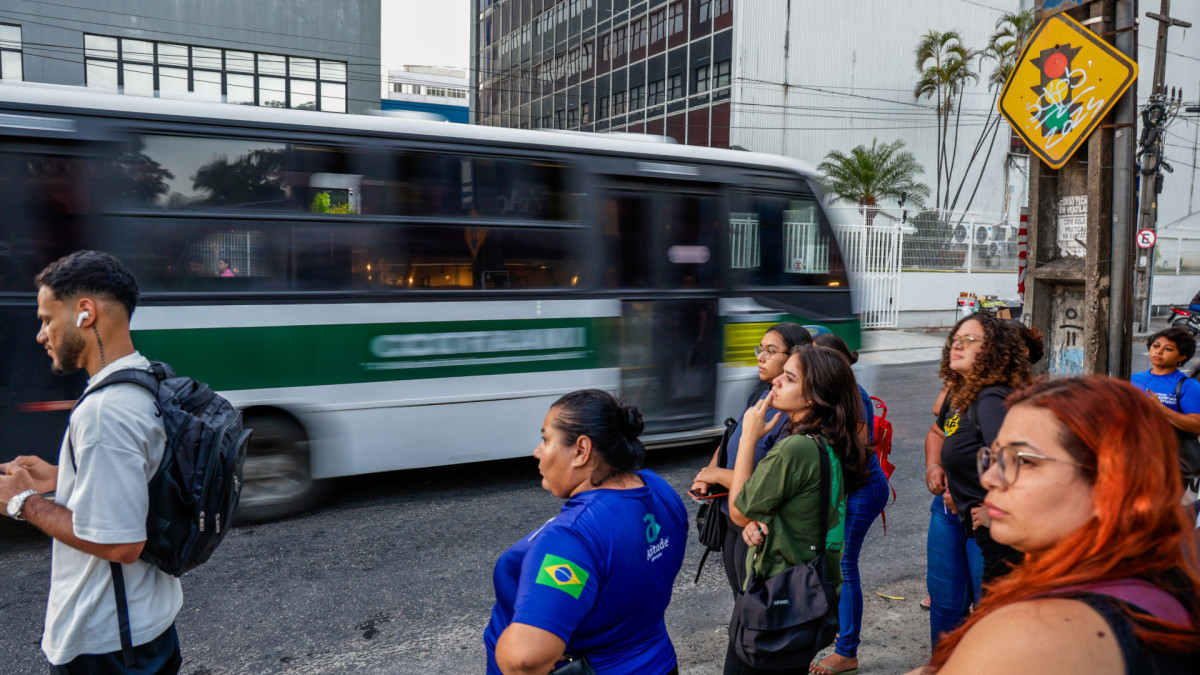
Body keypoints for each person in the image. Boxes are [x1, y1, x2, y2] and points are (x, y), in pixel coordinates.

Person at [905, 377, 1200, 674]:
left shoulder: (1039, 634)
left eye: (1024, 460)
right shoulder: (1156, 577)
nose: (990, 478)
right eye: (994, 456)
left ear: (1110, 483)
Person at [0, 251, 183, 673]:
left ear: (86, 313)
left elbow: (121, 543)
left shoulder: (105, 411)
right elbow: (139, 480)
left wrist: (23, 501)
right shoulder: (145, 377)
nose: (40, 335)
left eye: (47, 319)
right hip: (147, 624)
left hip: (109, 645)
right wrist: (63, 477)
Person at [485, 390, 687, 675]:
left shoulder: (571, 537)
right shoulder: (659, 489)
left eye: (545, 440)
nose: (538, 451)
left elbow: (524, 659)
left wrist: (501, 645)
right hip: (660, 664)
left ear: (581, 450)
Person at [725, 345, 869, 675]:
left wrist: (748, 437)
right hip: (809, 598)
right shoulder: (827, 439)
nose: (775, 381)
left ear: (814, 397)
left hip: (777, 599)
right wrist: (762, 517)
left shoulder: (796, 447)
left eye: (789, 378)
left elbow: (737, 510)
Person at [692, 322, 813, 594]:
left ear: (795, 357)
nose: (760, 357)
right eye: (761, 349)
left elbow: (766, 483)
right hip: (730, 513)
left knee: (751, 600)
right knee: (739, 596)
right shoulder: (761, 393)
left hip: (755, 524)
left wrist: (715, 475)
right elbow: (733, 437)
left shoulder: (789, 418)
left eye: (771, 351)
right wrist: (709, 471)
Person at [807, 333, 890, 675]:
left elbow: (855, 456)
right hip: (849, 491)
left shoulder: (853, 397)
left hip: (862, 490)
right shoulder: (832, 393)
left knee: (844, 566)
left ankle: (847, 651)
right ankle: (839, 635)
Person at [1131, 326, 1200, 439]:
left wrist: (1161, 409)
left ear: (1182, 357)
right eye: (1156, 346)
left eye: (1168, 349)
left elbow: (1197, 426)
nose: (1159, 351)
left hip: (1170, 451)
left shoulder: (1189, 386)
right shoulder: (1133, 378)